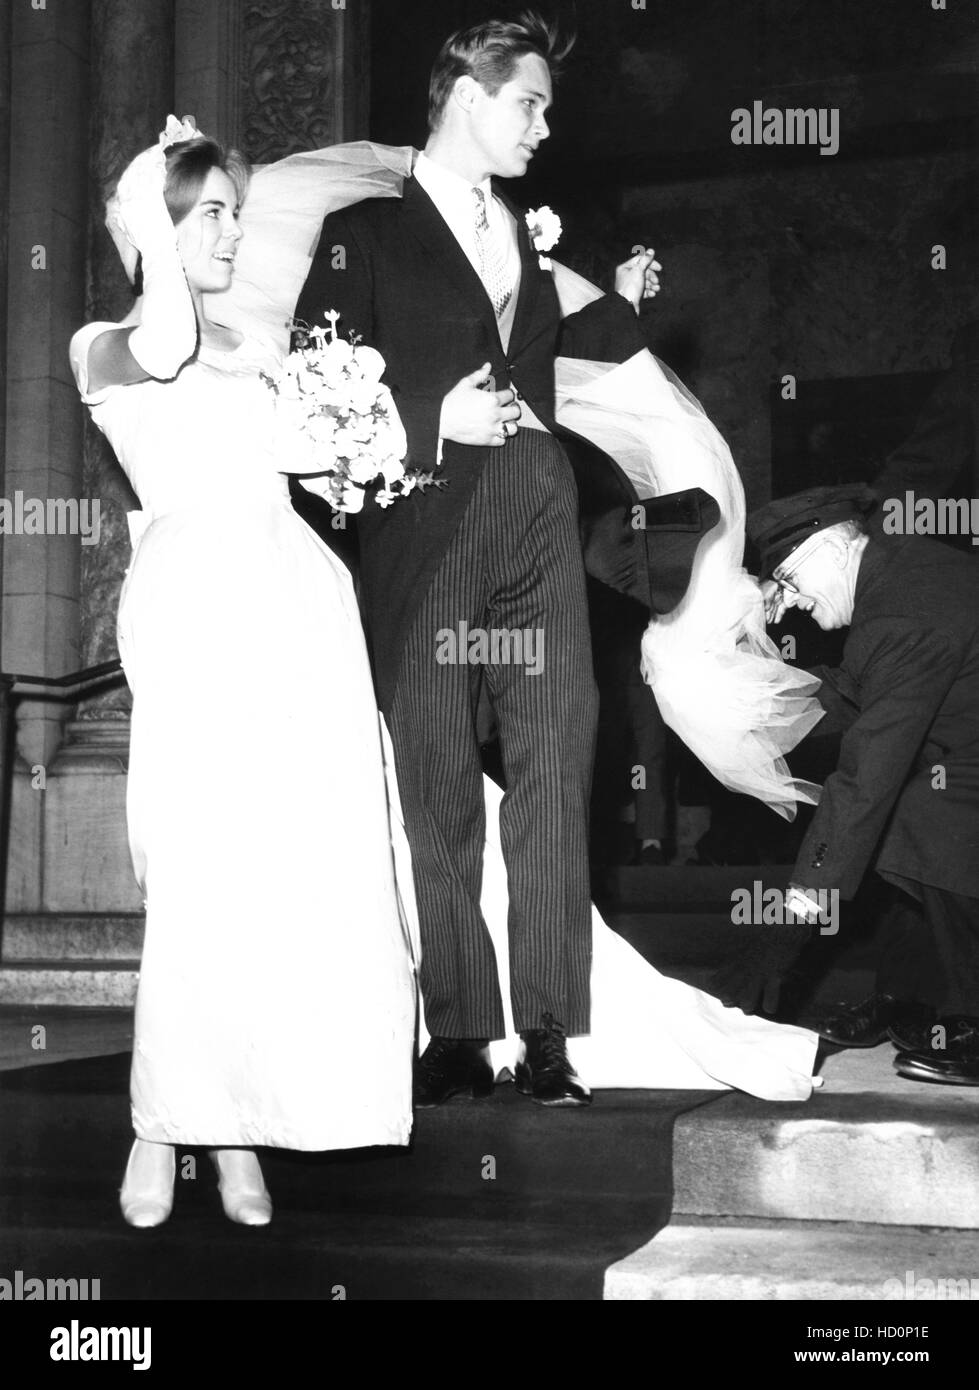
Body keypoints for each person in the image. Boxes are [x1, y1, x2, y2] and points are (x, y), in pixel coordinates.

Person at [294, 12, 740, 1109]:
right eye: (529, 103)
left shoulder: (524, 244)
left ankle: (547, 1033)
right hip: (429, 529)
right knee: (438, 786)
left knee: (555, 771)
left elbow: (542, 363)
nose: (543, 128)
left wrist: (616, 312)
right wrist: (427, 414)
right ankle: (458, 1031)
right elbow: (312, 391)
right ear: (463, 95)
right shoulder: (365, 231)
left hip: (539, 518)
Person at [68, 117, 415, 1228]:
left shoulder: (257, 348)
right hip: (196, 597)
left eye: (234, 208)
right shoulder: (105, 343)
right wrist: (147, 207)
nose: (235, 230)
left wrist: (362, 434)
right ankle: (168, 1120)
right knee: (202, 866)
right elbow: (164, 335)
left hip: (300, 601)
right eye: (210, 211)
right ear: (151, 230)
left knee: (298, 867)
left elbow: (318, 459)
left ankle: (252, 1118)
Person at [737, 484, 979, 1085]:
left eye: (790, 582)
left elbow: (866, 772)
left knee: (919, 806)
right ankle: (911, 1000)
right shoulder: (891, 573)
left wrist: (795, 918)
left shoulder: (903, 609)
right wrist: (752, 692)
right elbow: (853, 693)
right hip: (963, 749)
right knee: (913, 804)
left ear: (833, 550)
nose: (789, 606)